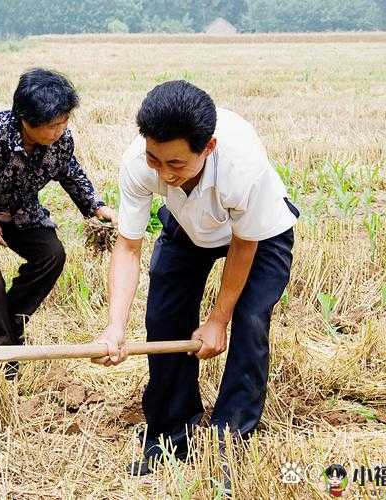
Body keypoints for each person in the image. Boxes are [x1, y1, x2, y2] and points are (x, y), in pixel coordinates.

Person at [92, 80, 300, 475]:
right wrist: (115, 326)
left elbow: (244, 244)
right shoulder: (139, 163)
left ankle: (230, 441)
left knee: (250, 320)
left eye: (176, 164)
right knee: (164, 319)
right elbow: (128, 247)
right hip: (188, 227)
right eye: (157, 159)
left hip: (258, 233)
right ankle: (170, 435)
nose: (164, 173)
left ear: (208, 148)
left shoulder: (241, 165)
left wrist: (218, 320)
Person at [0, 68, 116, 378]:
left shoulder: (61, 141)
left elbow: (69, 172)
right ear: (25, 119)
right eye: (52, 125)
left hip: (17, 209)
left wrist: (96, 207)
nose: (60, 130)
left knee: (51, 255)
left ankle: (9, 321)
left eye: (65, 121)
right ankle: (2, 362)